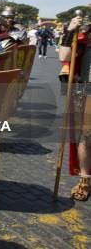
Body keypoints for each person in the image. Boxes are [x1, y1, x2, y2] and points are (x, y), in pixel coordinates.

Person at [58, 14, 90, 201]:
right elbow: (64, 55)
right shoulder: (84, 37)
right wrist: (70, 31)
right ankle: (85, 179)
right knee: (87, 137)